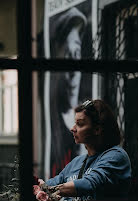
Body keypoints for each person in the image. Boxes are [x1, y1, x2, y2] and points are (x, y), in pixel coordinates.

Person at [49, 7, 89, 176]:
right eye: (68, 57)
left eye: (77, 54)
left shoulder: (89, 112)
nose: (74, 71)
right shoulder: (52, 117)